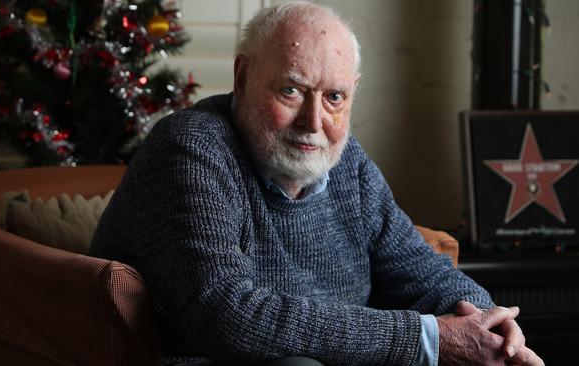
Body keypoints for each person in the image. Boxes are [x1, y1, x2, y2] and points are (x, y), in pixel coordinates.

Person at [91, 2, 544, 365]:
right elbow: (225, 315)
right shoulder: (190, 149)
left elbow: (421, 272)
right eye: (291, 90)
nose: (313, 122)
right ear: (243, 77)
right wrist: (425, 339)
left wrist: (489, 325)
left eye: (334, 97)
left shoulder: (349, 165)